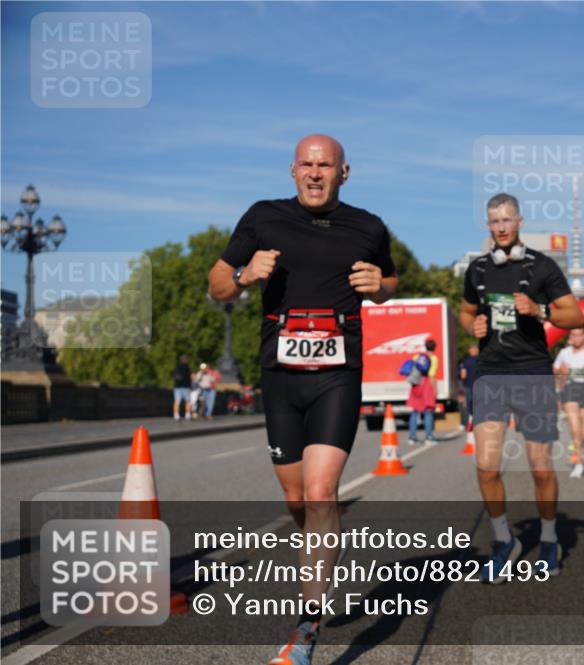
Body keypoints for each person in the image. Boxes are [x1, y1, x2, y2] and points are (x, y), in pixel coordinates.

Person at [208, 134, 397, 665]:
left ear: (344, 172)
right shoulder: (262, 217)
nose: (316, 173)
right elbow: (218, 283)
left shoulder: (368, 226)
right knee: (300, 503)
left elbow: (390, 281)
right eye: (307, 165)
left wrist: (380, 285)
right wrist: (245, 276)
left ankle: (306, 632)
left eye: (327, 166)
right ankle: (325, 535)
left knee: (318, 492)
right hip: (282, 376)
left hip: (338, 373)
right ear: (293, 170)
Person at [460, 192, 584, 582]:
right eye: (494, 221)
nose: (500, 228)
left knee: (541, 466)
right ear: (488, 225)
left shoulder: (542, 266)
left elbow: (575, 315)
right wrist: (473, 327)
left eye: (506, 220)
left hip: (531, 372)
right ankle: (504, 541)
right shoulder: (477, 269)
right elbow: (465, 312)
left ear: (519, 222)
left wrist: (539, 310)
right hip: (491, 373)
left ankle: (548, 538)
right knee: (485, 466)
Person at [553, 328, 584, 478]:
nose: (576, 337)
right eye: (573, 335)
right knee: (575, 429)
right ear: (570, 337)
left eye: (579, 334)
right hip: (570, 389)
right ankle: (578, 463)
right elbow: (555, 369)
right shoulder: (565, 352)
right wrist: (561, 371)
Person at [406, 338, 439, 444]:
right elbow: (432, 375)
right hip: (427, 384)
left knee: (415, 411)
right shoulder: (433, 358)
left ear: (425, 346)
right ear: (434, 347)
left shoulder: (417, 356)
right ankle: (429, 436)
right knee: (428, 411)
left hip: (416, 384)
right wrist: (435, 390)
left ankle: (412, 437)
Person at [459, 344, 480, 425]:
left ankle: (469, 423)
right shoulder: (481, 360)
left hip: (469, 385)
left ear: (469, 351)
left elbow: (463, 375)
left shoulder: (466, 361)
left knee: (469, 405)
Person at [171, 354, 193, 421]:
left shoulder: (177, 367)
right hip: (185, 387)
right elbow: (190, 378)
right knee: (188, 401)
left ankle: (176, 415)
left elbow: (174, 376)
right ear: (186, 360)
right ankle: (188, 414)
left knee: (177, 401)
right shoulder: (187, 367)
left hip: (177, 387)